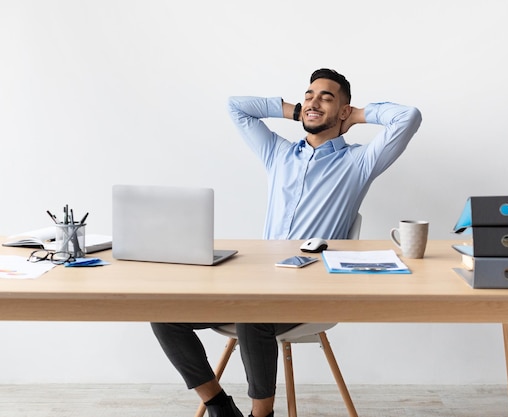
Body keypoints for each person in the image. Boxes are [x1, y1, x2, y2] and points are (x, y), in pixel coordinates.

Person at [151, 68, 421, 417]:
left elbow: (408, 117)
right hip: (258, 280)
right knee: (161, 312)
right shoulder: (278, 154)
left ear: (343, 110)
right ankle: (219, 405)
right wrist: (297, 110)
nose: (314, 101)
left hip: (312, 290)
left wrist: (356, 115)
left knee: (252, 313)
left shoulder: (358, 162)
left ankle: (261, 415)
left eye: (326, 97)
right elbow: (236, 106)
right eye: (309, 95)